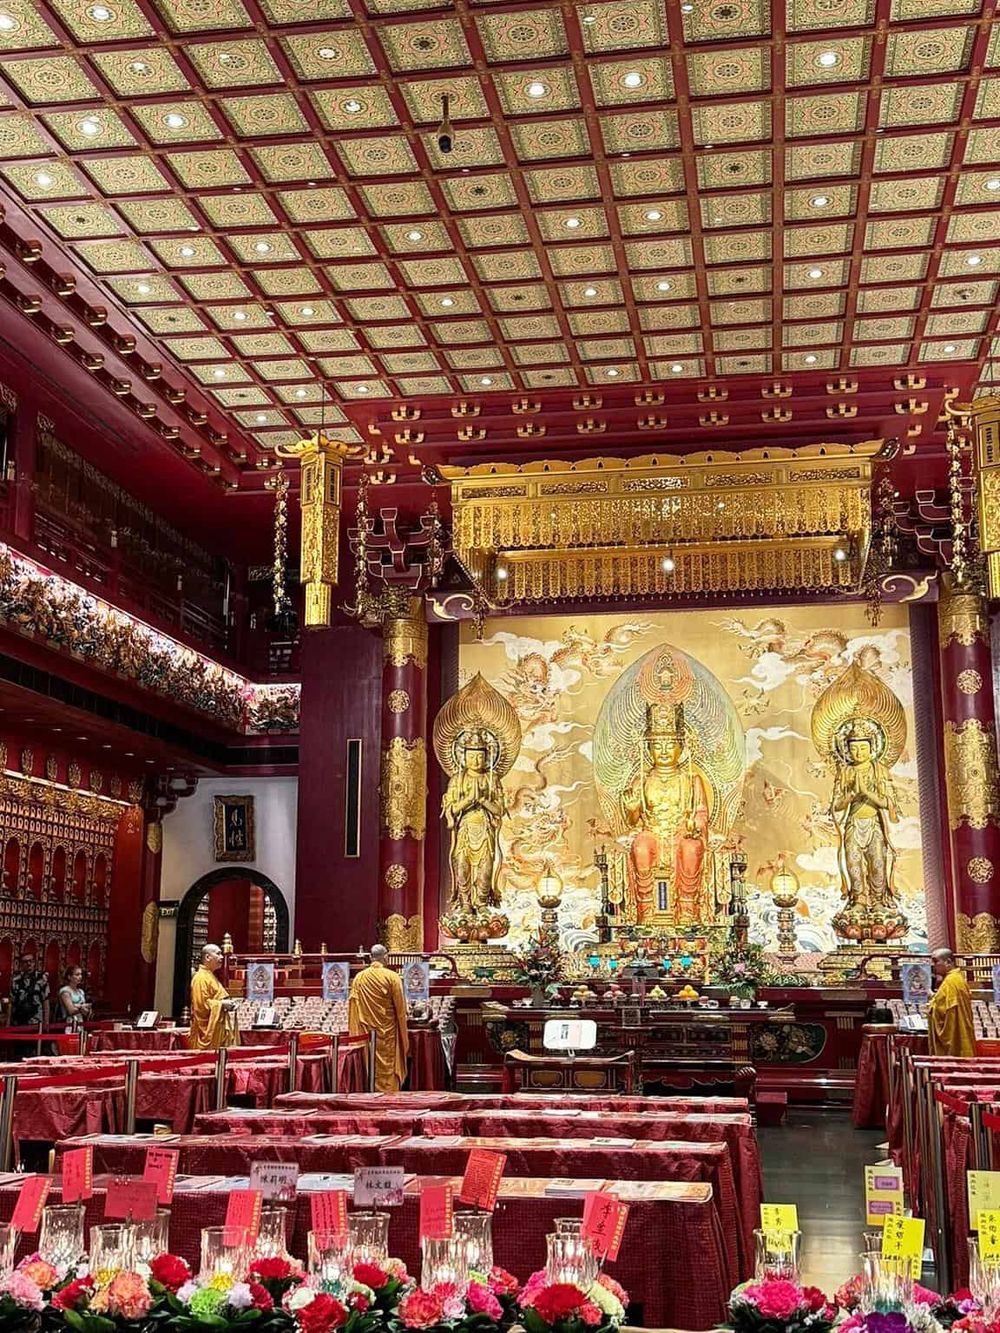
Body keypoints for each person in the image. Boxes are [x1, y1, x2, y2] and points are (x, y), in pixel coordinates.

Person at [348, 944, 409, 1092]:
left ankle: (370, 1093)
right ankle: (389, 1095)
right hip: (387, 1032)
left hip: (366, 1033)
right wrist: (404, 1035)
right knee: (388, 1067)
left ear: (370, 957)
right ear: (386, 957)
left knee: (370, 1064)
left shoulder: (359, 978)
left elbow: (353, 1008)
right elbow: (401, 1010)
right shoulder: (392, 977)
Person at [927, 947, 976, 1057]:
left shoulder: (951, 982)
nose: (933, 966)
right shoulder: (957, 979)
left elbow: (944, 1011)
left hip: (954, 1039)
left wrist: (932, 1003)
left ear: (948, 962)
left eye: (936, 961)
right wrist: (934, 997)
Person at [188, 943, 238, 1051]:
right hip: (206, 1033)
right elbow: (201, 1007)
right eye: (218, 954)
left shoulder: (210, 976)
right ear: (207, 957)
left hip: (217, 1029)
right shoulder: (200, 978)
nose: (221, 957)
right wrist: (221, 1004)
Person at [9, 951, 50, 1029]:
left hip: (36, 1021)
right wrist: (8, 1023)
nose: (29, 964)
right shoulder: (16, 980)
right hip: (18, 1021)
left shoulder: (41, 979)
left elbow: (46, 1001)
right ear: (21, 964)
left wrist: (46, 1024)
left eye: (31, 961)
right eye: (25, 962)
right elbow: (11, 1003)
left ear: (34, 963)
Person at [58, 966, 92, 1031]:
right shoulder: (65, 991)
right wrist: (81, 1007)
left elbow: (85, 1010)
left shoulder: (81, 992)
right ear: (69, 977)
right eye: (77, 975)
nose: (80, 977)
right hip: (68, 1024)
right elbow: (70, 1010)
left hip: (80, 1023)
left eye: (81, 974)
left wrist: (87, 1010)